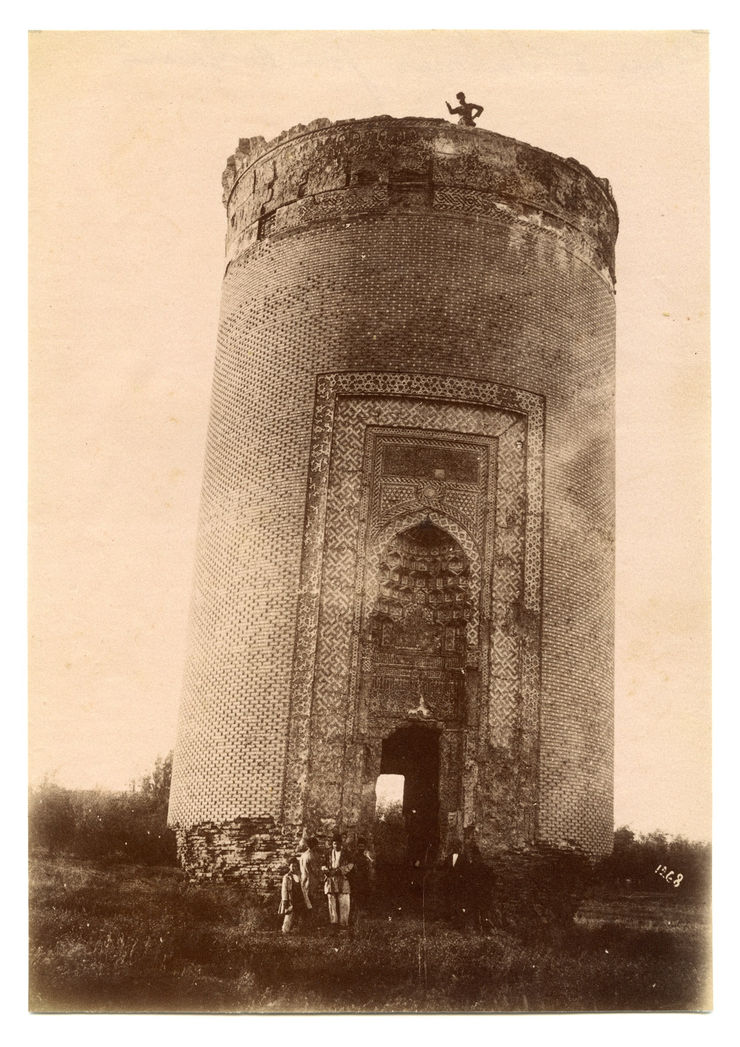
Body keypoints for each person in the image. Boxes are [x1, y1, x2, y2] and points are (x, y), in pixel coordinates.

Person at [323, 833, 354, 930]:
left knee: (343, 900)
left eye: (338, 844)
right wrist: (325, 870)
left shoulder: (347, 853)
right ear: (332, 844)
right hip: (331, 879)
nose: (336, 846)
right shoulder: (328, 853)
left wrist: (341, 870)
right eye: (335, 844)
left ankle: (343, 923)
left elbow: (351, 864)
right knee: (331, 900)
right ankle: (334, 922)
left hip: (342, 878)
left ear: (341, 844)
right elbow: (323, 864)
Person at [441, 838, 469, 928]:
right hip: (450, 883)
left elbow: (466, 871)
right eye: (455, 846)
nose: (456, 847)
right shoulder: (448, 858)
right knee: (451, 900)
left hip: (460, 884)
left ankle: (459, 921)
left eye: (457, 846)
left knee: (459, 901)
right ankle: (452, 920)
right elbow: (444, 869)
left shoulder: (463, 858)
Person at [278, 857, 307, 934]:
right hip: (291, 899)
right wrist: (285, 900)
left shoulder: (300, 876)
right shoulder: (287, 877)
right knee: (289, 915)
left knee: (301, 915)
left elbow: (303, 888)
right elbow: (284, 890)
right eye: (292, 866)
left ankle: (298, 929)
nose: (294, 868)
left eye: (295, 866)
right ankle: (286, 929)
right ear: (289, 866)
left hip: (300, 899)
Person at [351, 836, 375, 925]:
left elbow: (370, 868)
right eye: (359, 846)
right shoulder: (354, 856)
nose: (361, 848)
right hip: (356, 881)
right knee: (357, 899)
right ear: (357, 847)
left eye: (362, 847)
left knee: (365, 898)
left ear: (365, 847)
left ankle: (364, 917)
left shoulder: (367, 857)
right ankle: (356, 917)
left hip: (365, 881)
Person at [299, 836, 323, 917]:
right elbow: (315, 870)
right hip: (311, 881)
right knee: (311, 902)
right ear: (314, 845)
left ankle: (305, 920)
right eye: (316, 845)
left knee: (305, 900)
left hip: (303, 880)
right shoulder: (312, 856)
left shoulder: (303, 855)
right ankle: (311, 921)